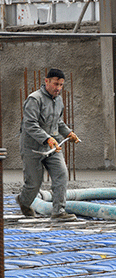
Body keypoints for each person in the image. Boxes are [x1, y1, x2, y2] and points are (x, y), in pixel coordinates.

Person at [17, 68, 80, 221]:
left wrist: (68, 133)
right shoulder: (34, 99)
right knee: (34, 183)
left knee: (62, 174)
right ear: (46, 81)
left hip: (52, 146)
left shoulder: (58, 99)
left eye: (61, 85)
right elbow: (30, 124)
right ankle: (23, 201)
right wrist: (47, 139)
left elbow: (58, 121)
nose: (58, 88)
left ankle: (58, 212)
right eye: (55, 84)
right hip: (33, 147)